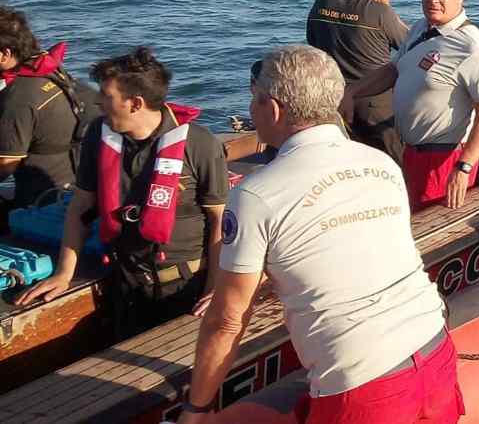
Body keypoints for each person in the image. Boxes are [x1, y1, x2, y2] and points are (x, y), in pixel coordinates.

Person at [178, 45, 460, 424]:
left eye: (254, 98)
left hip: (363, 385)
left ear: (273, 108)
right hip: (435, 348)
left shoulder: (255, 195)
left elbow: (227, 320)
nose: (250, 109)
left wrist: (196, 408)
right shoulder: (382, 164)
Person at [17, 47, 228, 337]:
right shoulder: (97, 135)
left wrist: (216, 288)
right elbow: (81, 207)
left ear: (135, 103)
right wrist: (64, 273)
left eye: (107, 95)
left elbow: (220, 220)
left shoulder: (199, 144)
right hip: (126, 283)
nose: (98, 102)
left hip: (186, 287)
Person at [341, 0, 479, 211]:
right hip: (411, 153)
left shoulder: (472, 48)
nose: (432, 0)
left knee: (434, 225)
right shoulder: (420, 29)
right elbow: (393, 70)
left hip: (442, 162)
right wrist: (352, 92)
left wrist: (464, 166)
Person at [0, 6, 98, 226]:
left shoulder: (19, 97)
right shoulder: (51, 71)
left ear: (5, 54)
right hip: (75, 185)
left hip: (44, 202)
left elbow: (6, 163)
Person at [306, 0, 409, 160]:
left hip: (334, 97)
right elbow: (410, 45)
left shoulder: (322, 2)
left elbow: (312, 40)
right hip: (374, 102)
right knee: (394, 162)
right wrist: (385, 6)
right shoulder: (379, 12)